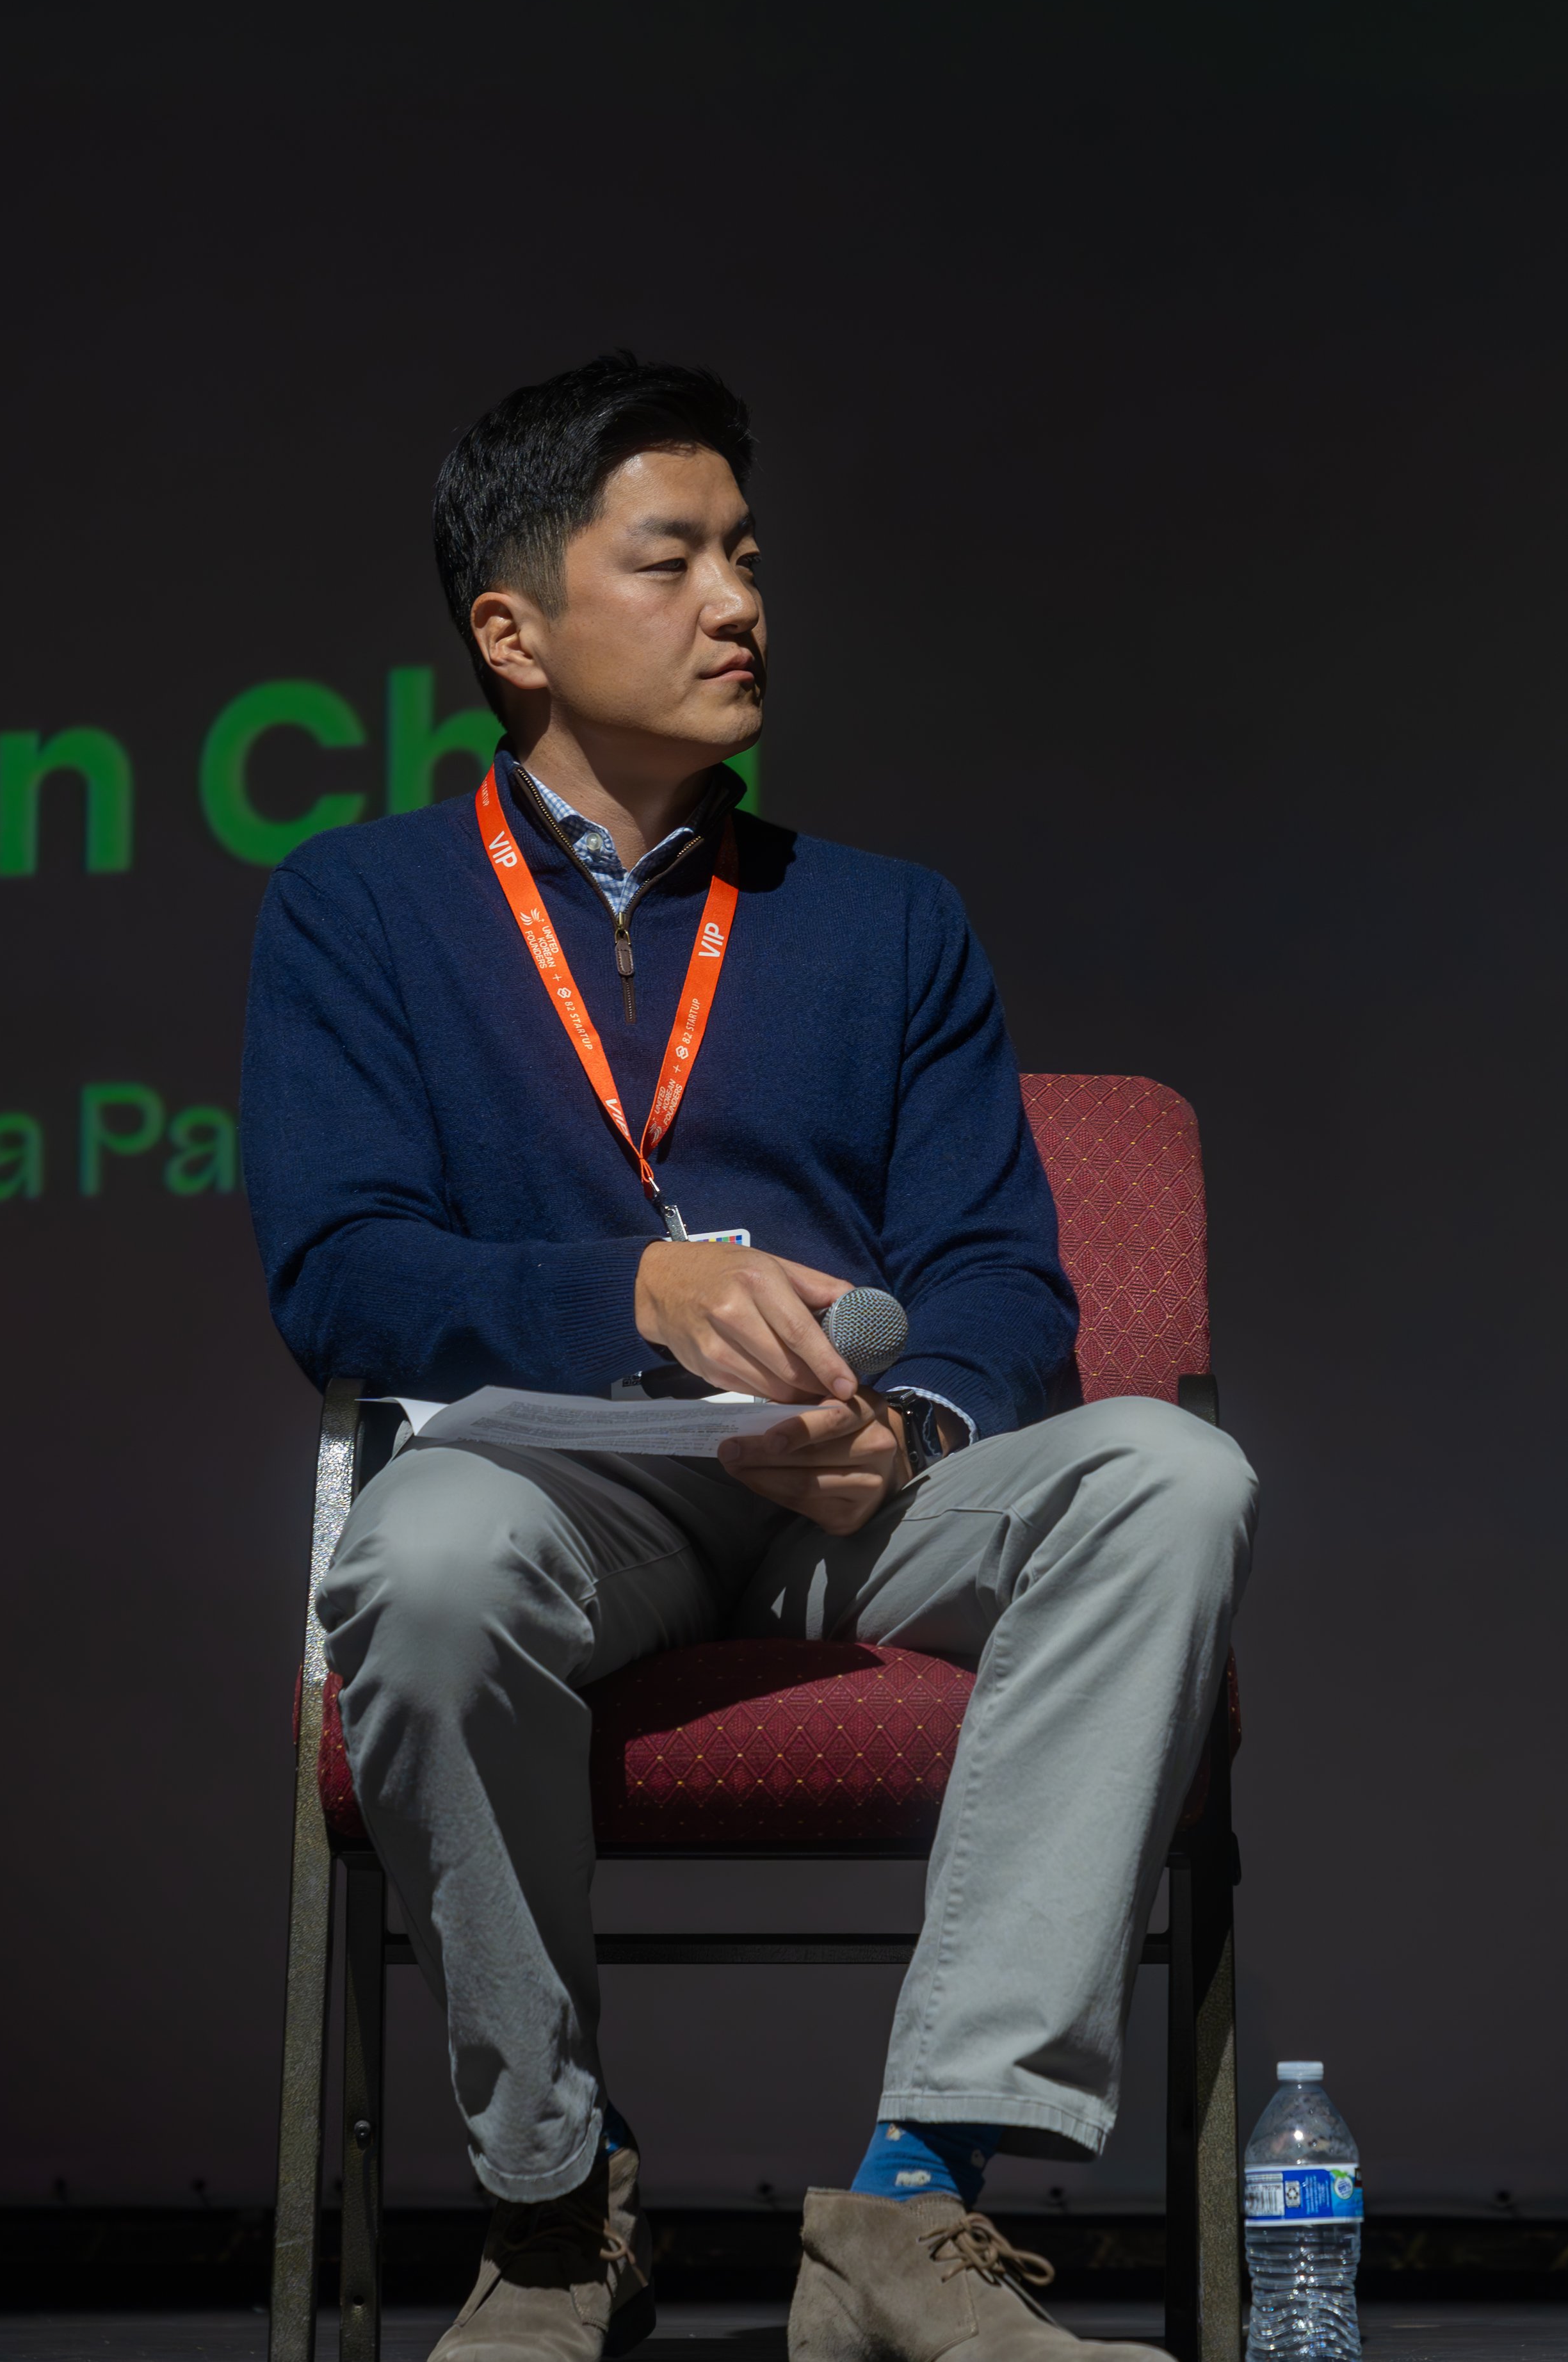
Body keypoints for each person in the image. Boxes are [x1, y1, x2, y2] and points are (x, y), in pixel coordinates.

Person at [241, 352, 1257, 2362]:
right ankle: (550, 2212)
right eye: (674, 557)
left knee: (1173, 1475)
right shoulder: (356, 908)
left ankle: (913, 2207)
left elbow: (997, 1278)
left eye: (748, 556)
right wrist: (628, 1291)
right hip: (559, 1492)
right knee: (420, 1561)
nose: (739, 602)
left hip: (845, 1497)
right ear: (511, 632)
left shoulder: (884, 924)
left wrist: (910, 1427)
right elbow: (343, 1277)